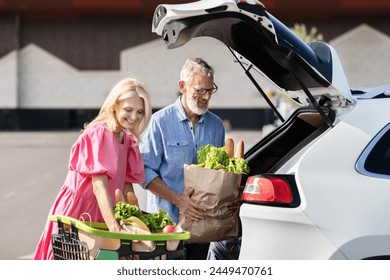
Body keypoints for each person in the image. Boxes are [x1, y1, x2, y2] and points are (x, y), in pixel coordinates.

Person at [33, 78, 152, 260]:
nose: (134, 117)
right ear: (114, 105)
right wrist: (115, 227)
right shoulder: (100, 132)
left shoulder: (127, 140)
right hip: (78, 212)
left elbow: (127, 190)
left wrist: (135, 223)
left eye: (140, 112)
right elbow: (99, 186)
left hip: (103, 212)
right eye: (128, 109)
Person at [140, 57, 225, 259]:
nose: (205, 96)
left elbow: (221, 172)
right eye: (199, 90)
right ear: (182, 86)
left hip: (203, 226)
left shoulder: (216, 125)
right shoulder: (160, 122)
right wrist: (179, 201)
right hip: (166, 226)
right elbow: (144, 170)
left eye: (210, 90)